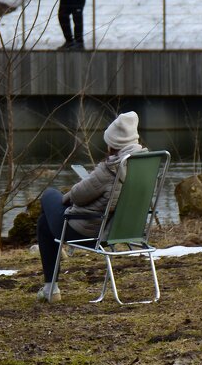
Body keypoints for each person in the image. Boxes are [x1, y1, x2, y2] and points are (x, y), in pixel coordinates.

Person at [35, 112, 145, 303]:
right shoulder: (144, 165)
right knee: (44, 223)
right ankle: (50, 286)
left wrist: (68, 197)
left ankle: (51, 286)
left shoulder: (110, 169)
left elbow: (78, 196)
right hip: (122, 231)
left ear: (113, 143)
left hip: (86, 232)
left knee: (50, 194)